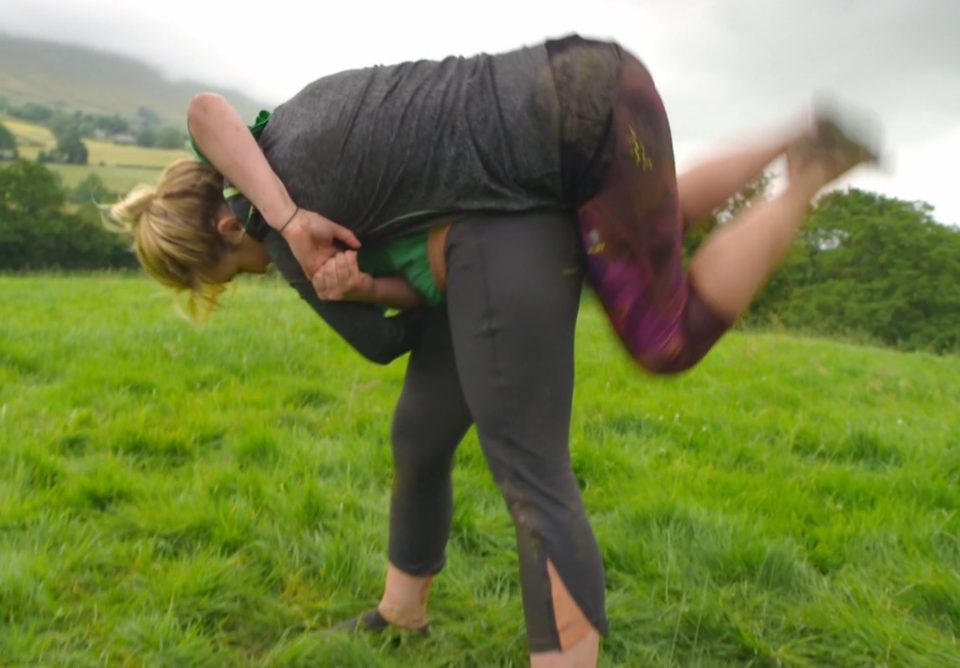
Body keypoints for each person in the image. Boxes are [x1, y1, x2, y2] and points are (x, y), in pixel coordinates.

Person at [107, 34, 878, 667]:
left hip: (544, 162)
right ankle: (401, 612)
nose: (241, 280)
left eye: (222, 275)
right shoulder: (291, 134)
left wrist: (341, 277)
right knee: (423, 430)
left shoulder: (274, 217)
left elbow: (383, 343)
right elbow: (216, 119)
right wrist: (379, 279)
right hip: (596, 80)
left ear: (223, 231)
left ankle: (802, 179)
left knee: (635, 364)